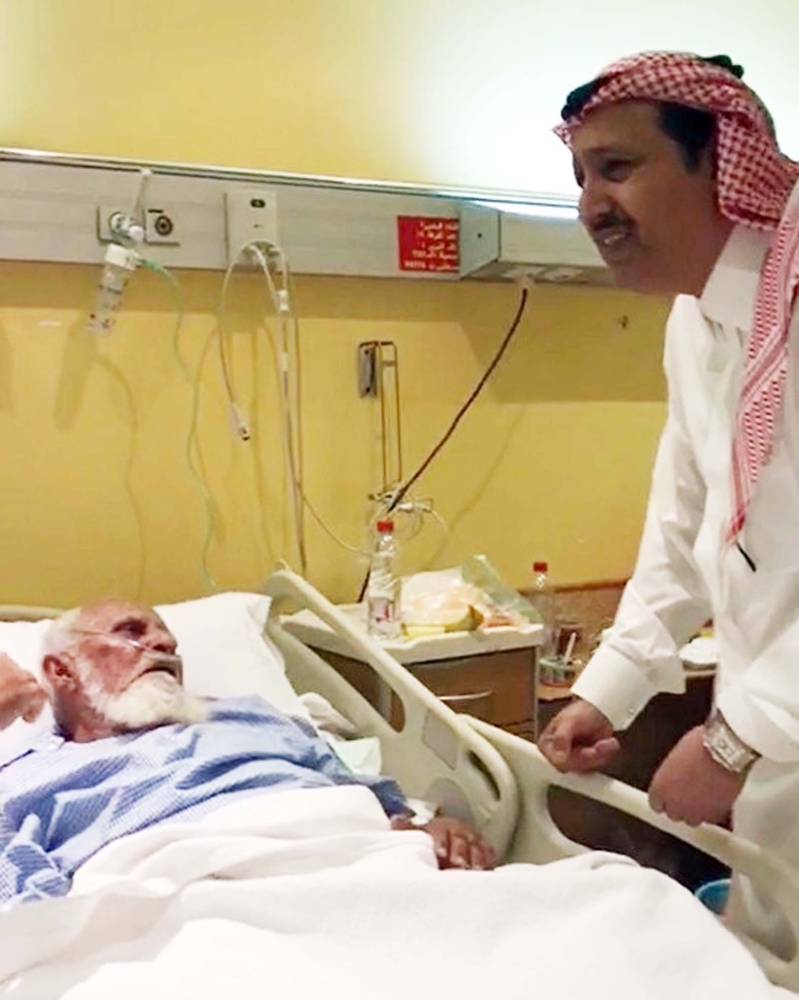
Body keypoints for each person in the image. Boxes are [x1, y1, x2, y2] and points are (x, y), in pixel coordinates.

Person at [537, 50, 799, 953]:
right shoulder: (695, 321)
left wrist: (734, 740)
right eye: (579, 178)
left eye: (616, 167)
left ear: (721, 162)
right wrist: (607, 690)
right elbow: (685, 533)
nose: (590, 206)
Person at [0, 598, 494, 904]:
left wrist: (433, 828)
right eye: (131, 632)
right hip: (182, 912)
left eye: (167, 638)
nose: (164, 644)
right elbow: (25, 909)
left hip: (368, 868)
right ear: (61, 671)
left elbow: (377, 801)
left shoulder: (252, 717)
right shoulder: (29, 777)